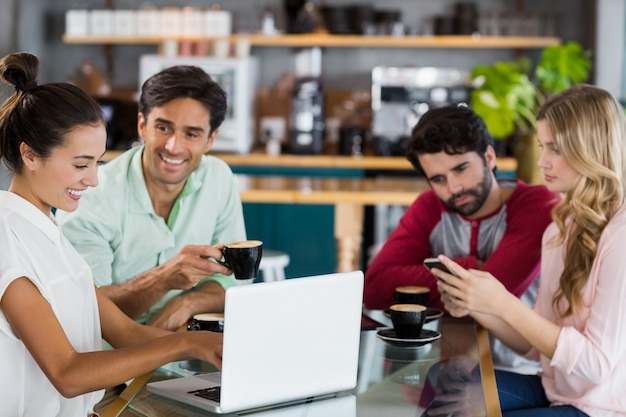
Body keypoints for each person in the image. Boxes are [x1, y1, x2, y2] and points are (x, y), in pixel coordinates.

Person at [0, 52, 223, 417]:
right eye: (80, 165)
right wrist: (187, 344)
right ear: (30, 155)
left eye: (97, 163)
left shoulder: (50, 236)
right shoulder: (7, 240)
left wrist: (208, 345)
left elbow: (125, 333)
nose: (93, 179)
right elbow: (67, 373)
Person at [435, 84, 626, 416]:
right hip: (555, 391)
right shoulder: (560, 229)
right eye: (542, 146)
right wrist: (478, 304)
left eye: (555, 149)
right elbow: (533, 347)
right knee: (442, 382)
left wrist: (504, 303)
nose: (542, 161)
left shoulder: (620, 237)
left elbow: (596, 364)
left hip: (601, 409)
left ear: (590, 149)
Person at [363, 104, 557, 370]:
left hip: (523, 369)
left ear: (489, 158)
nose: (454, 188)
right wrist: (469, 268)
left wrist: (443, 275)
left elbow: (495, 292)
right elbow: (375, 287)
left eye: (461, 169)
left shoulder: (536, 204)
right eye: (438, 179)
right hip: (444, 364)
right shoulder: (430, 206)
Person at [57, 64, 246, 331]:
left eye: (191, 134)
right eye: (164, 128)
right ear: (142, 126)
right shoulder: (89, 197)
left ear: (210, 140)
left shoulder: (218, 178)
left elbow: (234, 282)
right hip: (112, 360)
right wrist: (164, 280)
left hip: (188, 348)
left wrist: (185, 304)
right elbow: (88, 310)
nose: (174, 147)